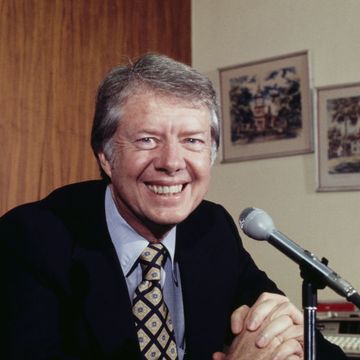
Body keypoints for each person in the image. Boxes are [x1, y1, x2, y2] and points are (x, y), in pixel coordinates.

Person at [0, 54, 347, 360]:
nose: (171, 162)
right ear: (107, 156)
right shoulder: (30, 239)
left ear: (210, 156)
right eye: (147, 139)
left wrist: (287, 339)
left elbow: (311, 347)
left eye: (192, 141)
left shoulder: (212, 228)